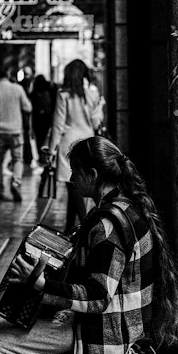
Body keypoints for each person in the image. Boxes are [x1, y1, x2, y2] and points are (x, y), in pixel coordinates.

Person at [0, 135, 178, 354]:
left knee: (0, 345)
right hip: (114, 323)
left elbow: (98, 296)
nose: (71, 179)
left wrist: (41, 285)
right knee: (0, 327)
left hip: (107, 331)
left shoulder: (108, 225)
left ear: (91, 175)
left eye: (75, 173)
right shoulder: (123, 208)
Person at [46, 59, 106, 230]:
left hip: (68, 143)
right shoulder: (93, 94)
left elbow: (57, 125)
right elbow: (96, 122)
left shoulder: (63, 94)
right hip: (87, 143)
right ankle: (68, 227)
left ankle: (85, 225)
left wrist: (51, 151)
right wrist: (100, 105)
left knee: (72, 186)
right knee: (76, 186)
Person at [0, 66, 31, 202]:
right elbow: (28, 107)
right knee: (17, 159)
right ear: (8, 75)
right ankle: (15, 183)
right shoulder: (17, 89)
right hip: (15, 131)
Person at [30, 73, 56, 156]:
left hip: (37, 119)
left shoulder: (34, 93)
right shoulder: (49, 90)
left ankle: (40, 154)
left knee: (39, 138)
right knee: (46, 136)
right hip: (47, 117)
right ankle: (45, 154)